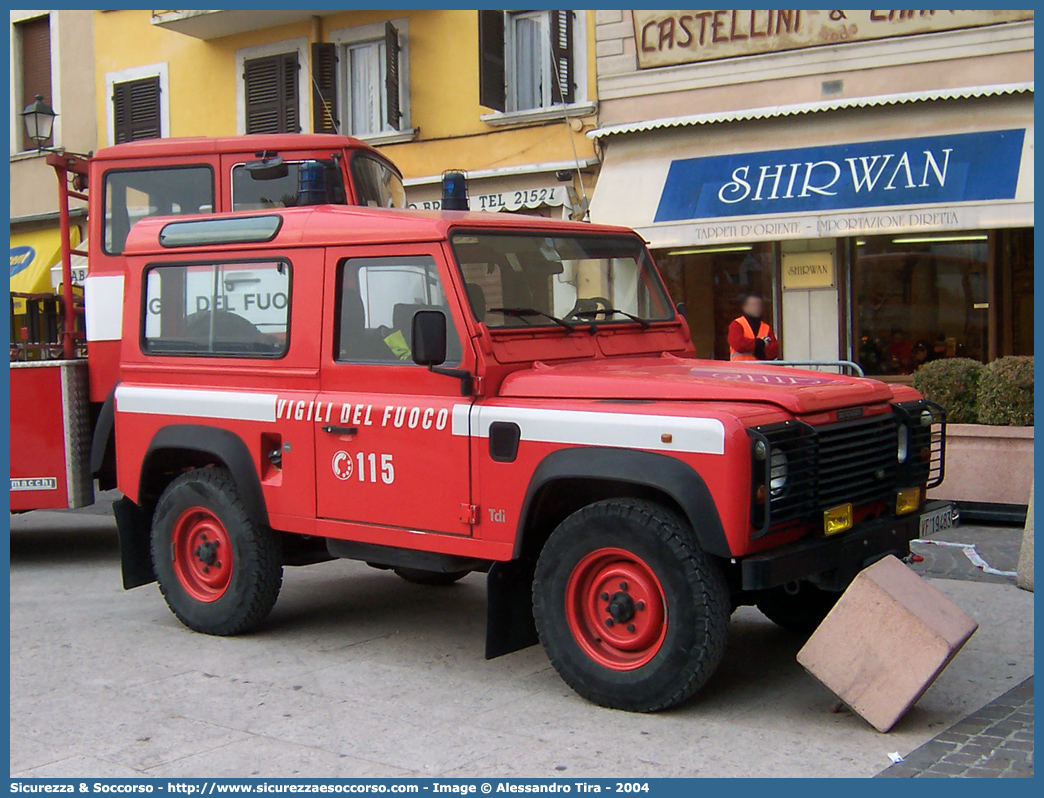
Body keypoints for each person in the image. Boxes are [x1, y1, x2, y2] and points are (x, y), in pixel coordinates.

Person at [728, 293, 779, 361]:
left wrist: (762, 354)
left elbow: (774, 351)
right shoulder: (737, 324)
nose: (756, 308)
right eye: (753, 305)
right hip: (740, 369)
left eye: (758, 305)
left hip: (760, 370)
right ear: (745, 307)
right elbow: (739, 344)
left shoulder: (766, 328)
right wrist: (761, 344)